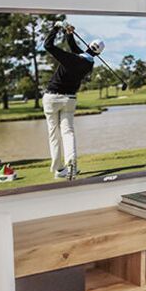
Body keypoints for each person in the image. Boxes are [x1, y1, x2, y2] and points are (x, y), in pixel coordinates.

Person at [42, 24, 102, 180]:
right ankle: (72, 165)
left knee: (53, 134)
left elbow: (47, 45)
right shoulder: (89, 64)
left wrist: (55, 28)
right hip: (69, 100)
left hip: (52, 98)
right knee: (68, 132)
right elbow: (77, 50)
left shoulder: (70, 58)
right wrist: (69, 35)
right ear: (98, 53)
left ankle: (59, 169)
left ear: (89, 46)